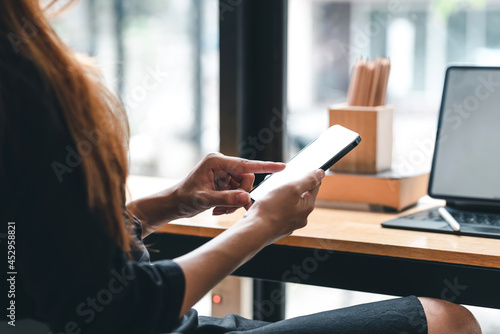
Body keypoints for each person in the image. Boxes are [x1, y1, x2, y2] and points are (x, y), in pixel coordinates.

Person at [0, 1, 482, 333]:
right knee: (449, 321)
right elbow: (123, 309)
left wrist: (167, 204)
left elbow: (41, 262)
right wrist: (262, 227)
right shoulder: (29, 91)